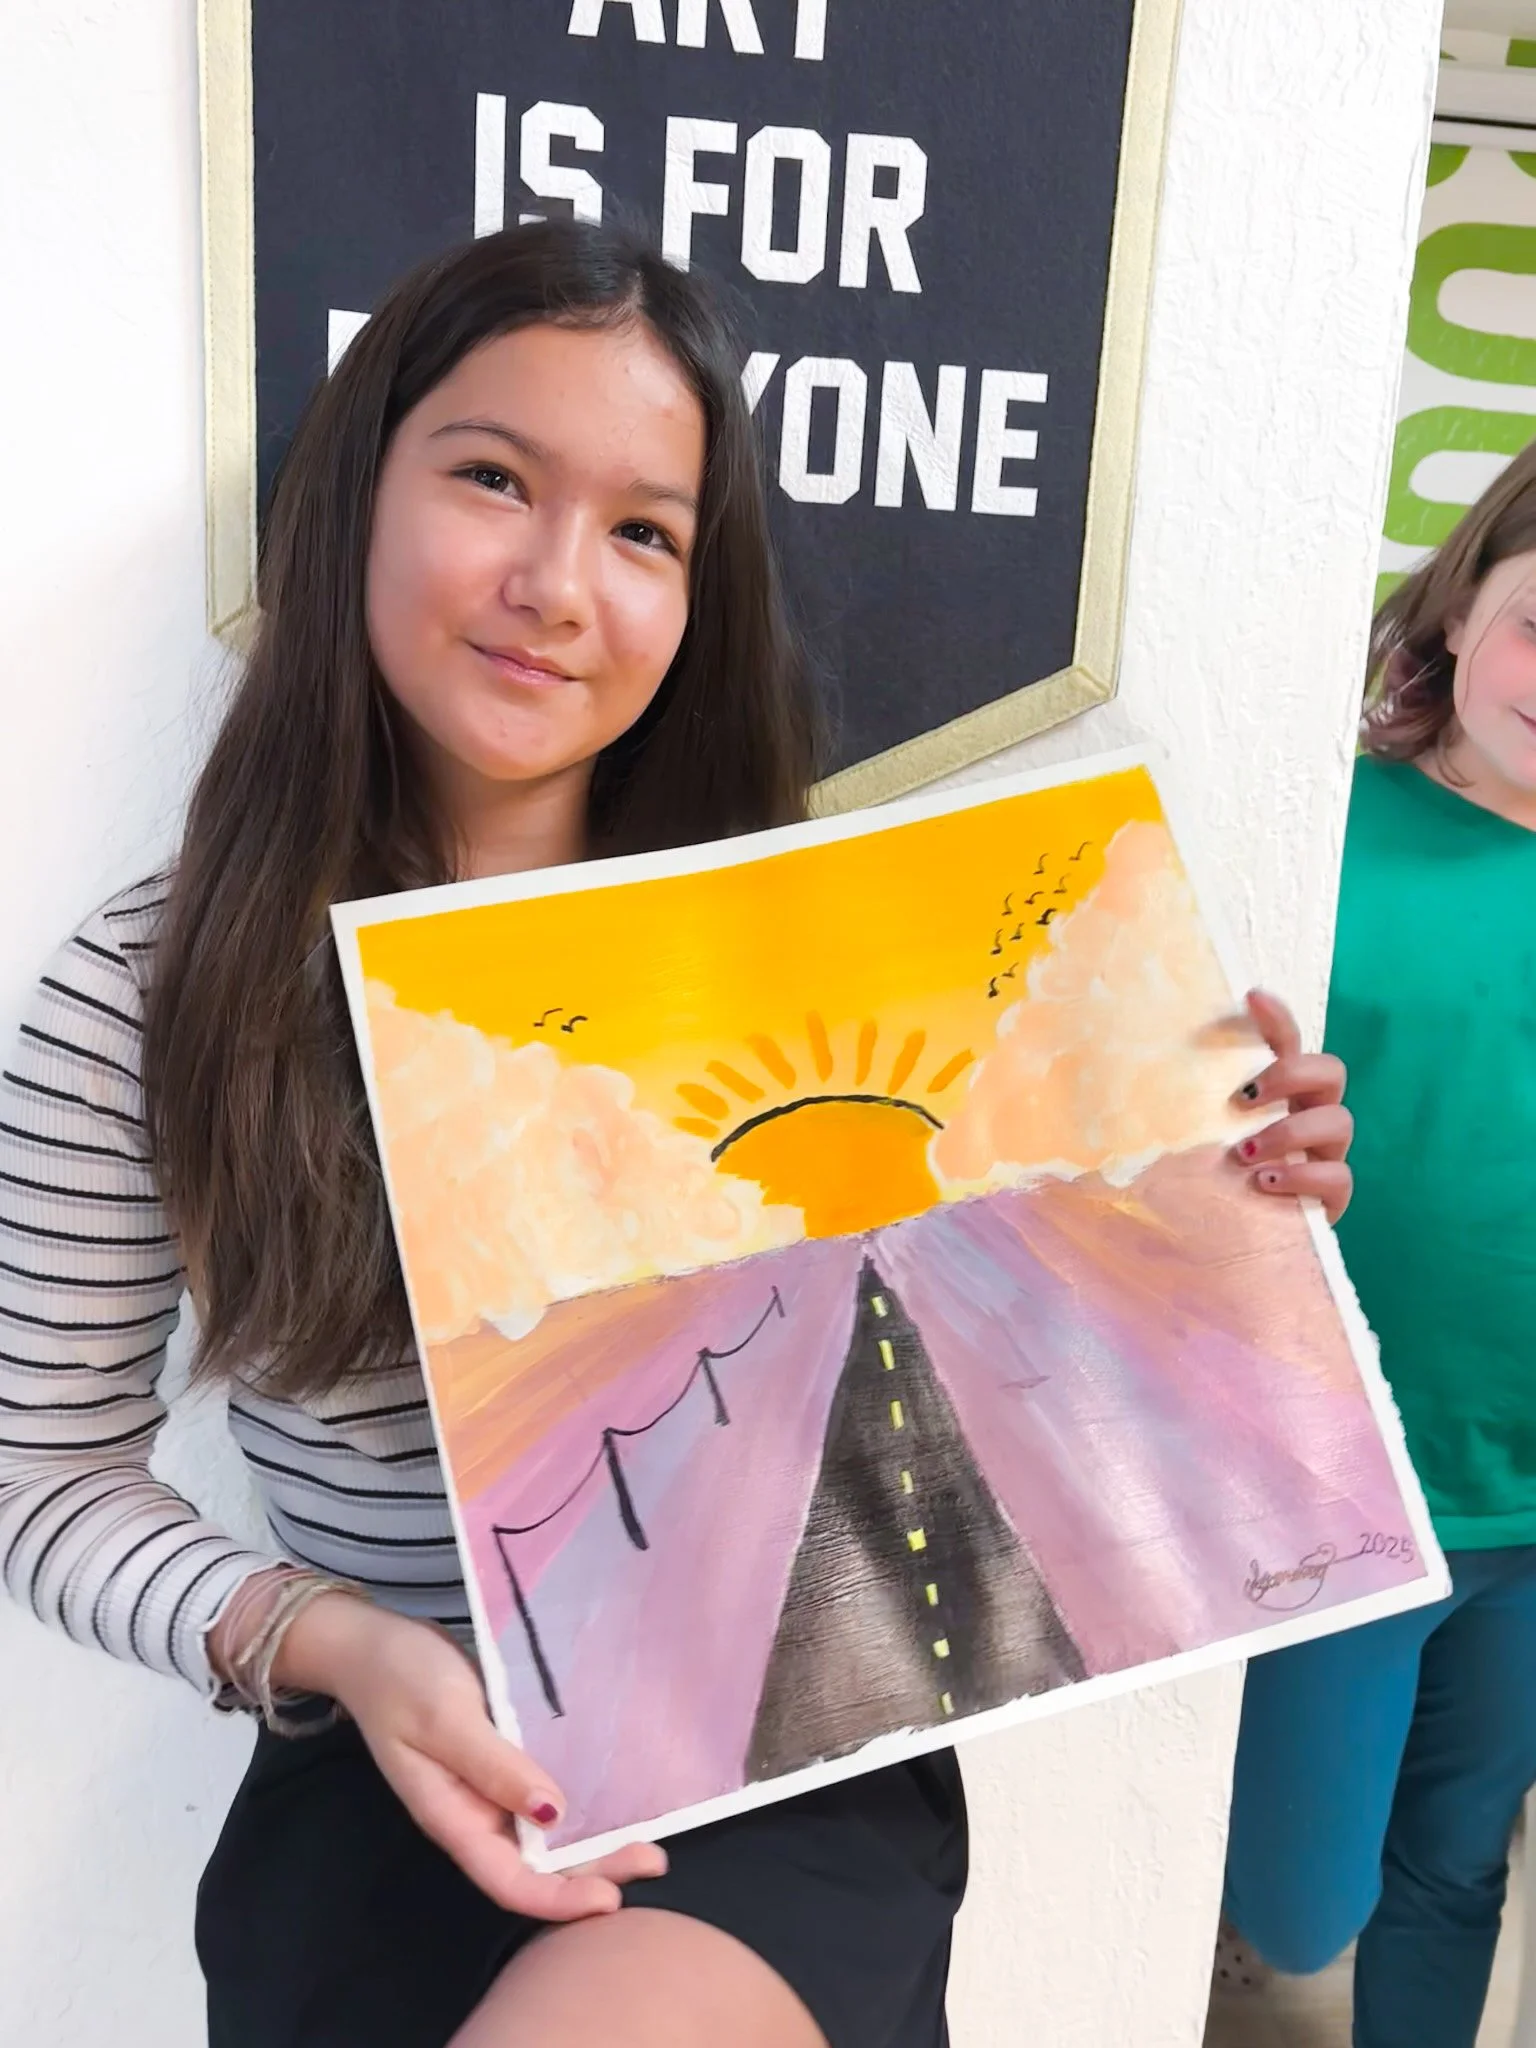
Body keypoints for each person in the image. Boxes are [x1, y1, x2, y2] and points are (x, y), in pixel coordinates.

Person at [0, 217, 1352, 2048]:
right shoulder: (160, 983)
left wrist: (1215, 1204)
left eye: (646, 531)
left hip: (773, 1734)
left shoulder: (827, 954)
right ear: (354, 499)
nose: (559, 583)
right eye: (494, 477)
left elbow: (1018, 1407)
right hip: (379, 1752)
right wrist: (321, 1640)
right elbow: (35, 1468)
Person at [1217, 441, 1536, 2048]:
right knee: (1294, 1901)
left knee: (1457, 1867)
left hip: (1533, 1505)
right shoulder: (1319, 824)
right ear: (1472, 595)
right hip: (1339, 1479)